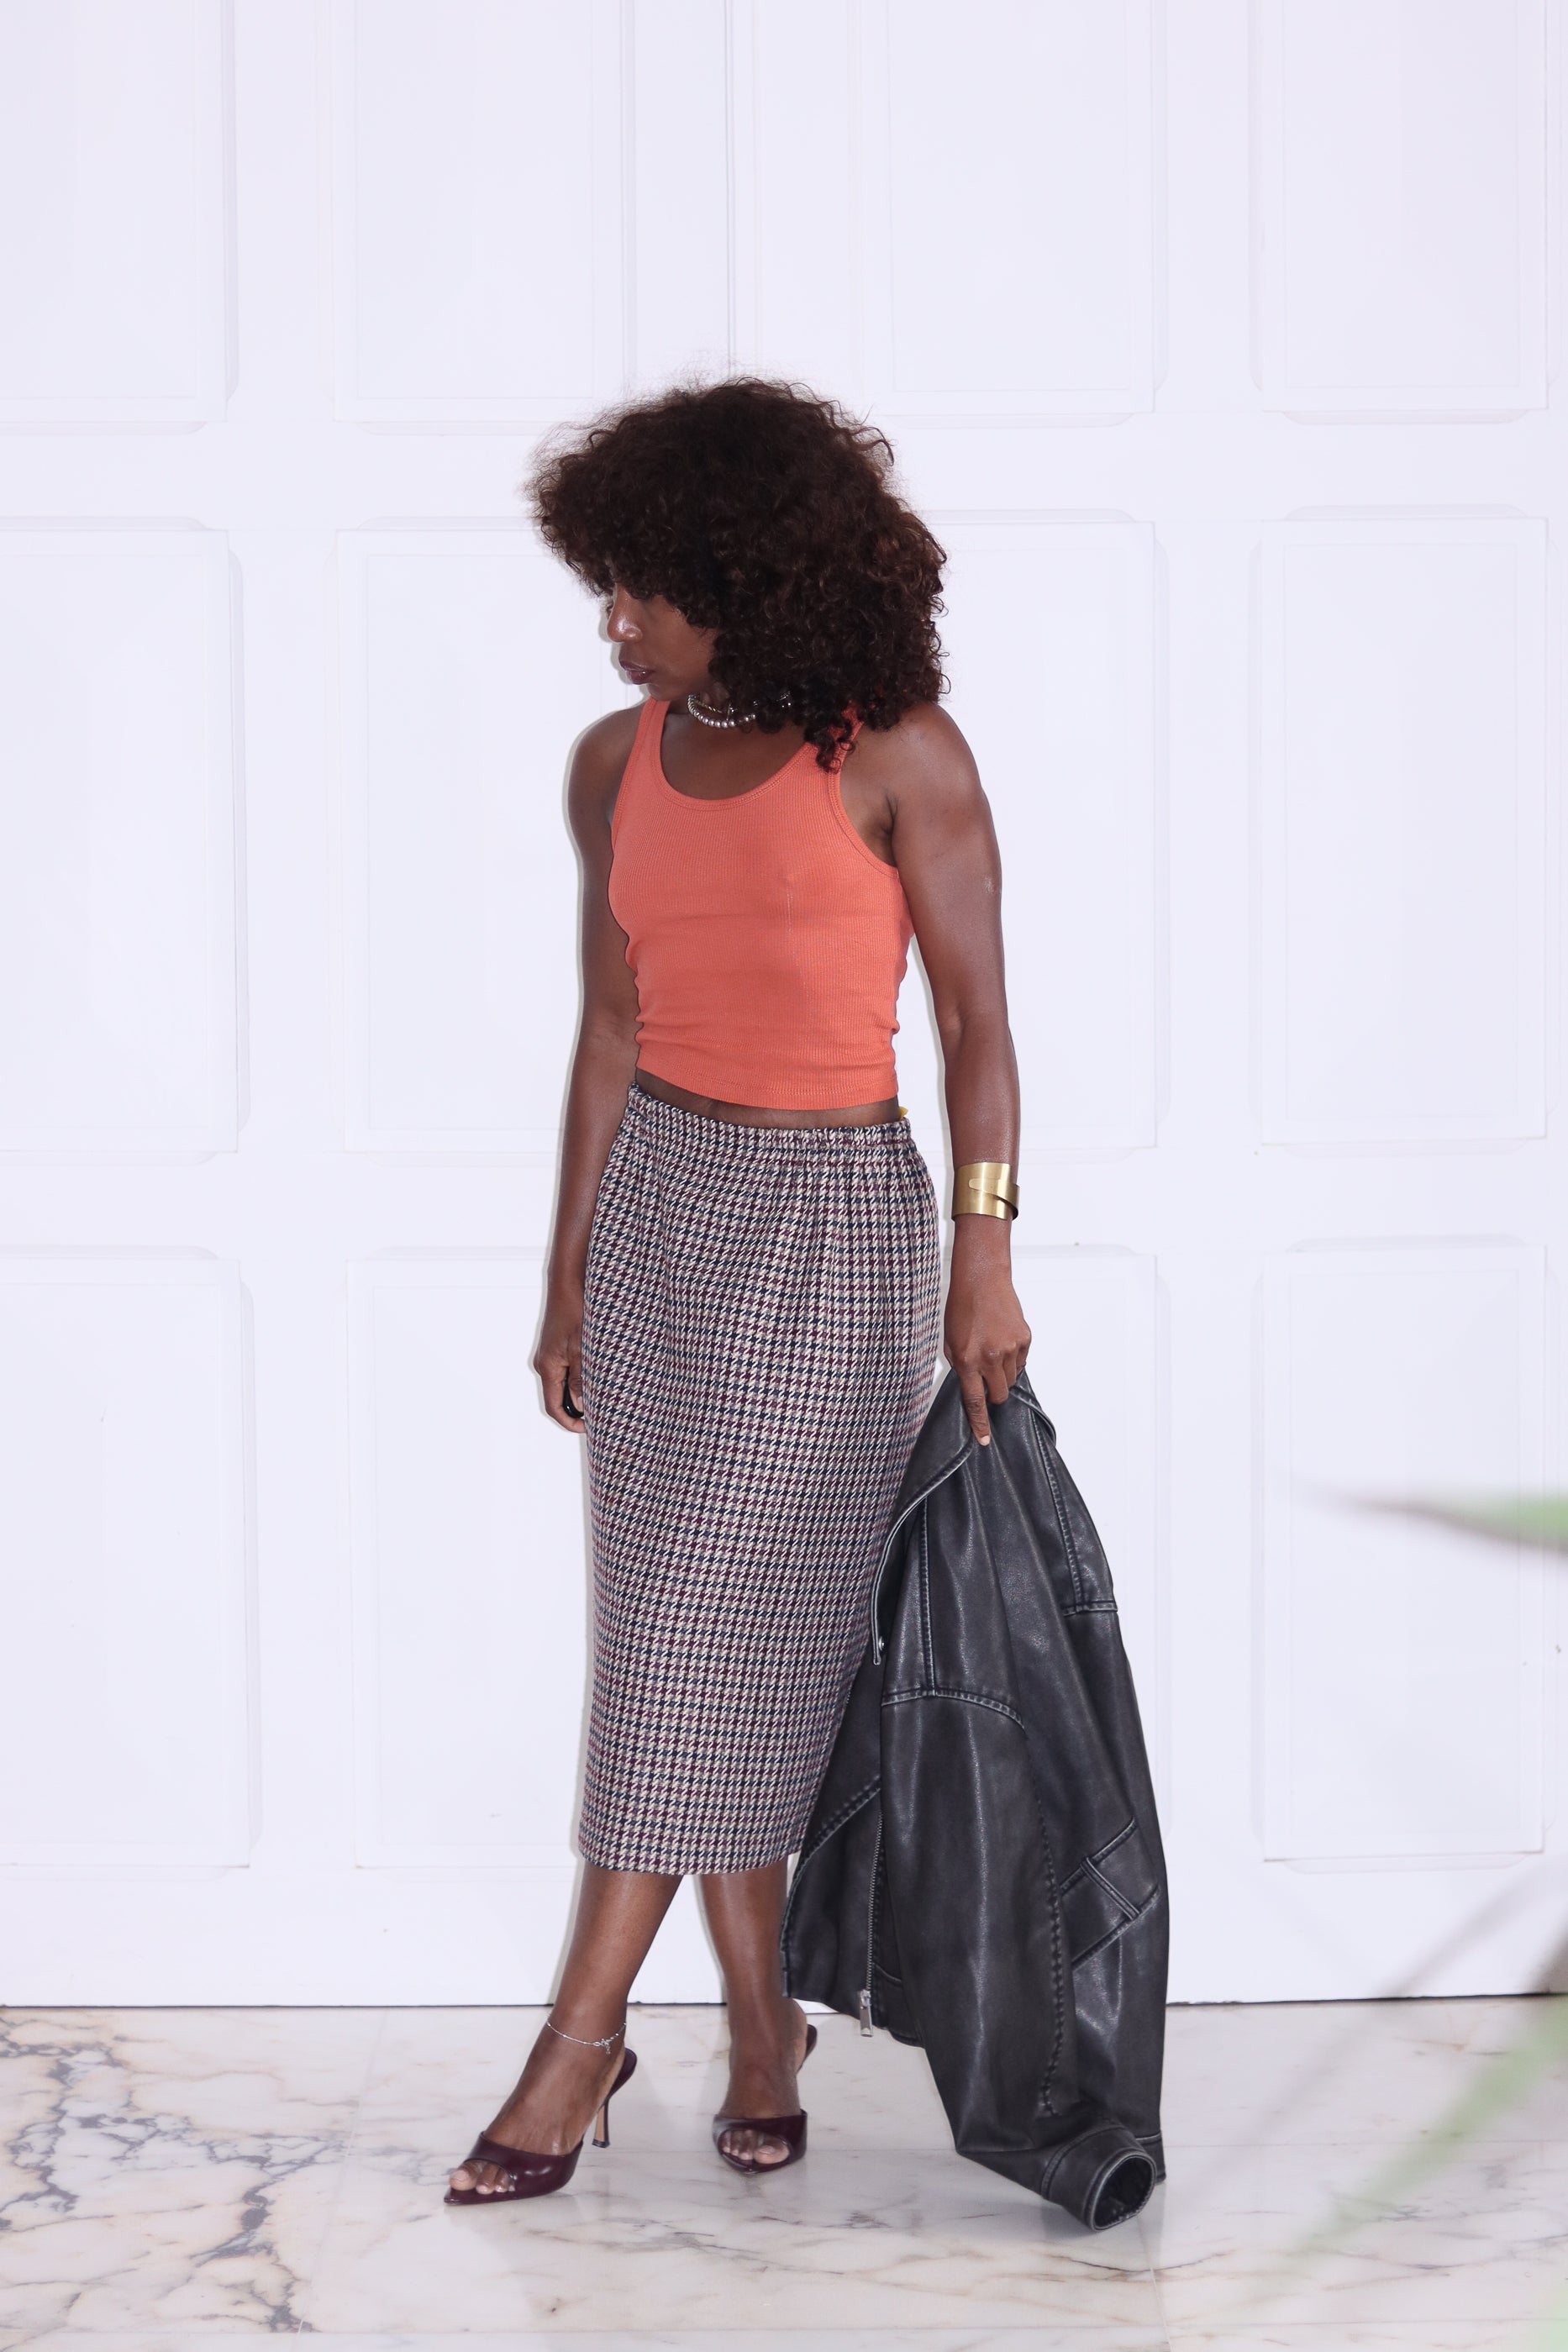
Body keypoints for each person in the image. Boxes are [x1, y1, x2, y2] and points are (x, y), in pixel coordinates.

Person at [447, 378, 1029, 2205]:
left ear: (743, 577)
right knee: (696, 1639)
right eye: (607, 587)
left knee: (705, 1635)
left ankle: (579, 2038)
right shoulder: (610, 764)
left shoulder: (895, 755)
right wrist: (569, 1271)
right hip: (661, 1213)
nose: (614, 621)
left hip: (834, 1226)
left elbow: (978, 1029)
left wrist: (987, 1252)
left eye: (639, 586)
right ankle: (764, 2026)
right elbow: (609, 1032)